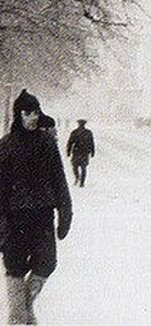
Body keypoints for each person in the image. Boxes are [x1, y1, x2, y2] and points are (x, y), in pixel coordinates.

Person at [0, 90, 73, 325]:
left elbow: (59, 180)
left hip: (42, 217)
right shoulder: (6, 146)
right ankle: (19, 318)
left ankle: (22, 310)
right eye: (27, 113)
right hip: (14, 220)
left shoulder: (47, 144)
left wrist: (65, 213)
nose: (32, 117)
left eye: (35, 112)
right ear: (18, 115)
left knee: (47, 263)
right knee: (15, 268)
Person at [65, 121, 94, 188]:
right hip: (83, 152)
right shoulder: (87, 132)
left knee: (77, 167)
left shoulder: (76, 132)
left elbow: (70, 143)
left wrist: (68, 151)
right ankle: (79, 179)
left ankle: (80, 181)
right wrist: (92, 151)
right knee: (80, 167)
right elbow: (70, 142)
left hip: (78, 152)